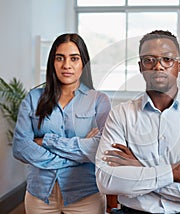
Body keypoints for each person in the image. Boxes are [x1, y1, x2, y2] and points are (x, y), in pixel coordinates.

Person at [95, 30, 180, 213]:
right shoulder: (120, 115)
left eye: (167, 59)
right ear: (140, 66)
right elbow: (106, 181)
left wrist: (140, 170)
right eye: (149, 60)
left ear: (179, 65)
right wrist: (175, 173)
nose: (158, 66)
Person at [12, 33, 111, 214]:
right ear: (53, 63)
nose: (66, 65)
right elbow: (20, 147)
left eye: (74, 58)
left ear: (83, 63)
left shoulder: (99, 101)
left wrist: (47, 141)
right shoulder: (34, 99)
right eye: (60, 58)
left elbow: (100, 148)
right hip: (40, 195)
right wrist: (75, 156)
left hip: (85, 195)